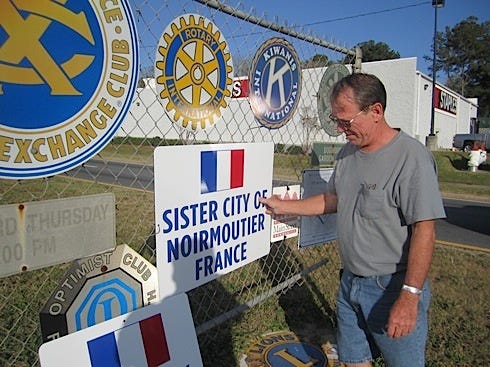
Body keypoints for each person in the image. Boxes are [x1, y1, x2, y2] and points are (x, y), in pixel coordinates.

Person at [259, 73, 446, 367]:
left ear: (376, 111)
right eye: (336, 121)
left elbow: (425, 230)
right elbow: (334, 199)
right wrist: (284, 206)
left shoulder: (411, 158)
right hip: (350, 284)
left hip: (391, 286)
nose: (340, 129)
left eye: (345, 121)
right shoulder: (348, 153)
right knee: (354, 360)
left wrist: (410, 297)